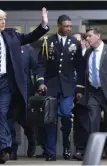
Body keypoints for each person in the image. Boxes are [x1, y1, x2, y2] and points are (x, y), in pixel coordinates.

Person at [0, 8, 49, 164]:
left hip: (6, 83)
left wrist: (43, 25)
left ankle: (4, 148)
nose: (3, 21)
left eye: (4, 18)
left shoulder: (12, 34)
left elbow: (30, 37)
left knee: (1, 114)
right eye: (0, 19)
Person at [36, 15, 85, 161]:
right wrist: (40, 82)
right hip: (50, 86)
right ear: (59, 25)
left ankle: (66, 148)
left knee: (65, 114)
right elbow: (41, 65)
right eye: (66, 26)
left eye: (70, 26)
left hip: (68, 87)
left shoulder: (74, 42)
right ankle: (50, 152)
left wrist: (79, 88)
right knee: (50, 119)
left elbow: (80, 67)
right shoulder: (48, 41)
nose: (69, 28)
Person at [80, 26, 107, 162]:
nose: (87, 38)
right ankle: (96, 153)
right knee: (93, 122)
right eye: (86, 36)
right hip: (93, 93)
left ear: (98, 36)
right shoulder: (88, 52)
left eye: (89, 36)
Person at [8, 44, 37, 160]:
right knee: (10, 120)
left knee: (24, 119)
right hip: (10, 90)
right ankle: (12, 150)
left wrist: (38, 85)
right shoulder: (6, 47)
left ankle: (31, 139)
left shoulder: (28, 49)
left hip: (25, 90)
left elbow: (35, 67)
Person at [72, 32, 90, 160]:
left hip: (86, 93)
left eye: (78, 41)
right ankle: (78, 149)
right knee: (77, 123)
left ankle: (85, 150)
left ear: (84, 42)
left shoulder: (89, 54)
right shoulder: (70, 55)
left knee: (85, 122)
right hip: (70, 92)